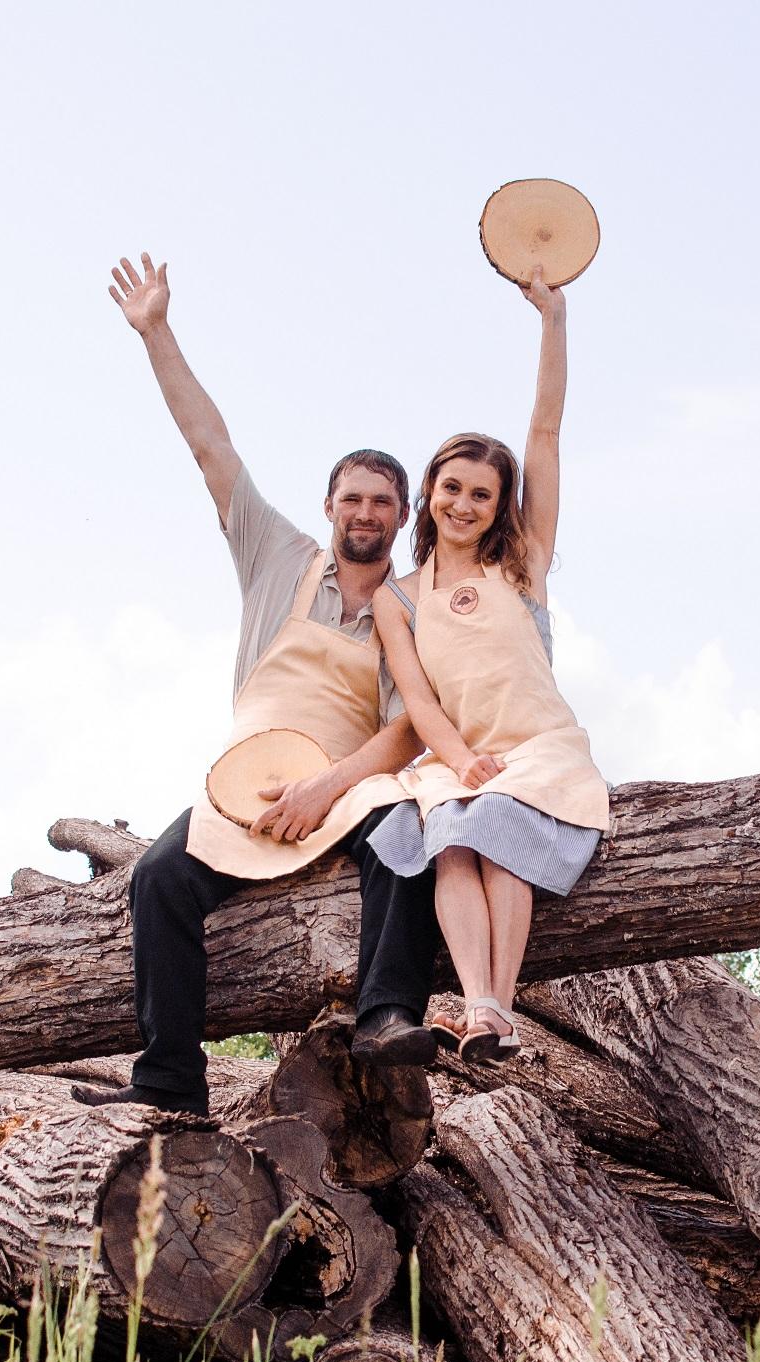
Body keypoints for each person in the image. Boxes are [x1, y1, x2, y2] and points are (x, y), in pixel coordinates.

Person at [83, 253, 443, 1116]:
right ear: (328, 506)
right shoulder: (277, 557)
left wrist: (327, 788)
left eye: (383, 504)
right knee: (158, 881)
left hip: (349, 782)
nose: (366, 515)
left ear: (403, 518)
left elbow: (409, 732)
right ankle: (170, 1081)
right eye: (353, 499)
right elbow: (211, 444)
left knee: (406, 832)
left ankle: (388, 1015)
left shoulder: (412, 610)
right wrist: (157, 331)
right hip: (244, 779)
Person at [367, 268, 608, 1063]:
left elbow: (544, 431)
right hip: (460, 756)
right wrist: (464, 759)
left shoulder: (522, 564)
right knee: (454, 840)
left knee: (498, 828)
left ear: (501, 505)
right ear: (430, 493)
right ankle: (481, 1004)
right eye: (452, 488)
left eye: (482, 494)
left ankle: (493, 1009)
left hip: (538, 749)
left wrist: (554, 320)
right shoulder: (399, 600)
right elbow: (421, 701)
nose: (465, 504)